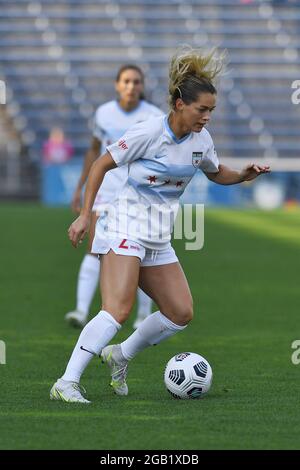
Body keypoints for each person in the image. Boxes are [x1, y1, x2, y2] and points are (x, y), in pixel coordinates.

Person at [50, 46, 270, 403]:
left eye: (211, 111)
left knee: (180, 312)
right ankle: (66, 381)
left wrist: (243, 175)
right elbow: (100, 165)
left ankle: (120, 354)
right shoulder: (148, 133)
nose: (207, 117)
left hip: (157, 236)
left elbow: (216, 172)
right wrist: (85, 214)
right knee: (117, 309)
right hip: (124, 226)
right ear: (180, 104)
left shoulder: (202, 140)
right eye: (202, 109)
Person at [65, 64, 163, 329]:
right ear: (117, 84)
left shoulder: (154, 117)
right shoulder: (104, 113)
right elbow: (94, 151)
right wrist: (80, 187)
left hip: (140, 195)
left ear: (142, 86)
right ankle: (81, 310)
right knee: (94, 247)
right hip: (106, 191)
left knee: (143, 251)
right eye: (126, 81)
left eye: (136, 82)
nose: (131, 86)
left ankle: (143, 314)